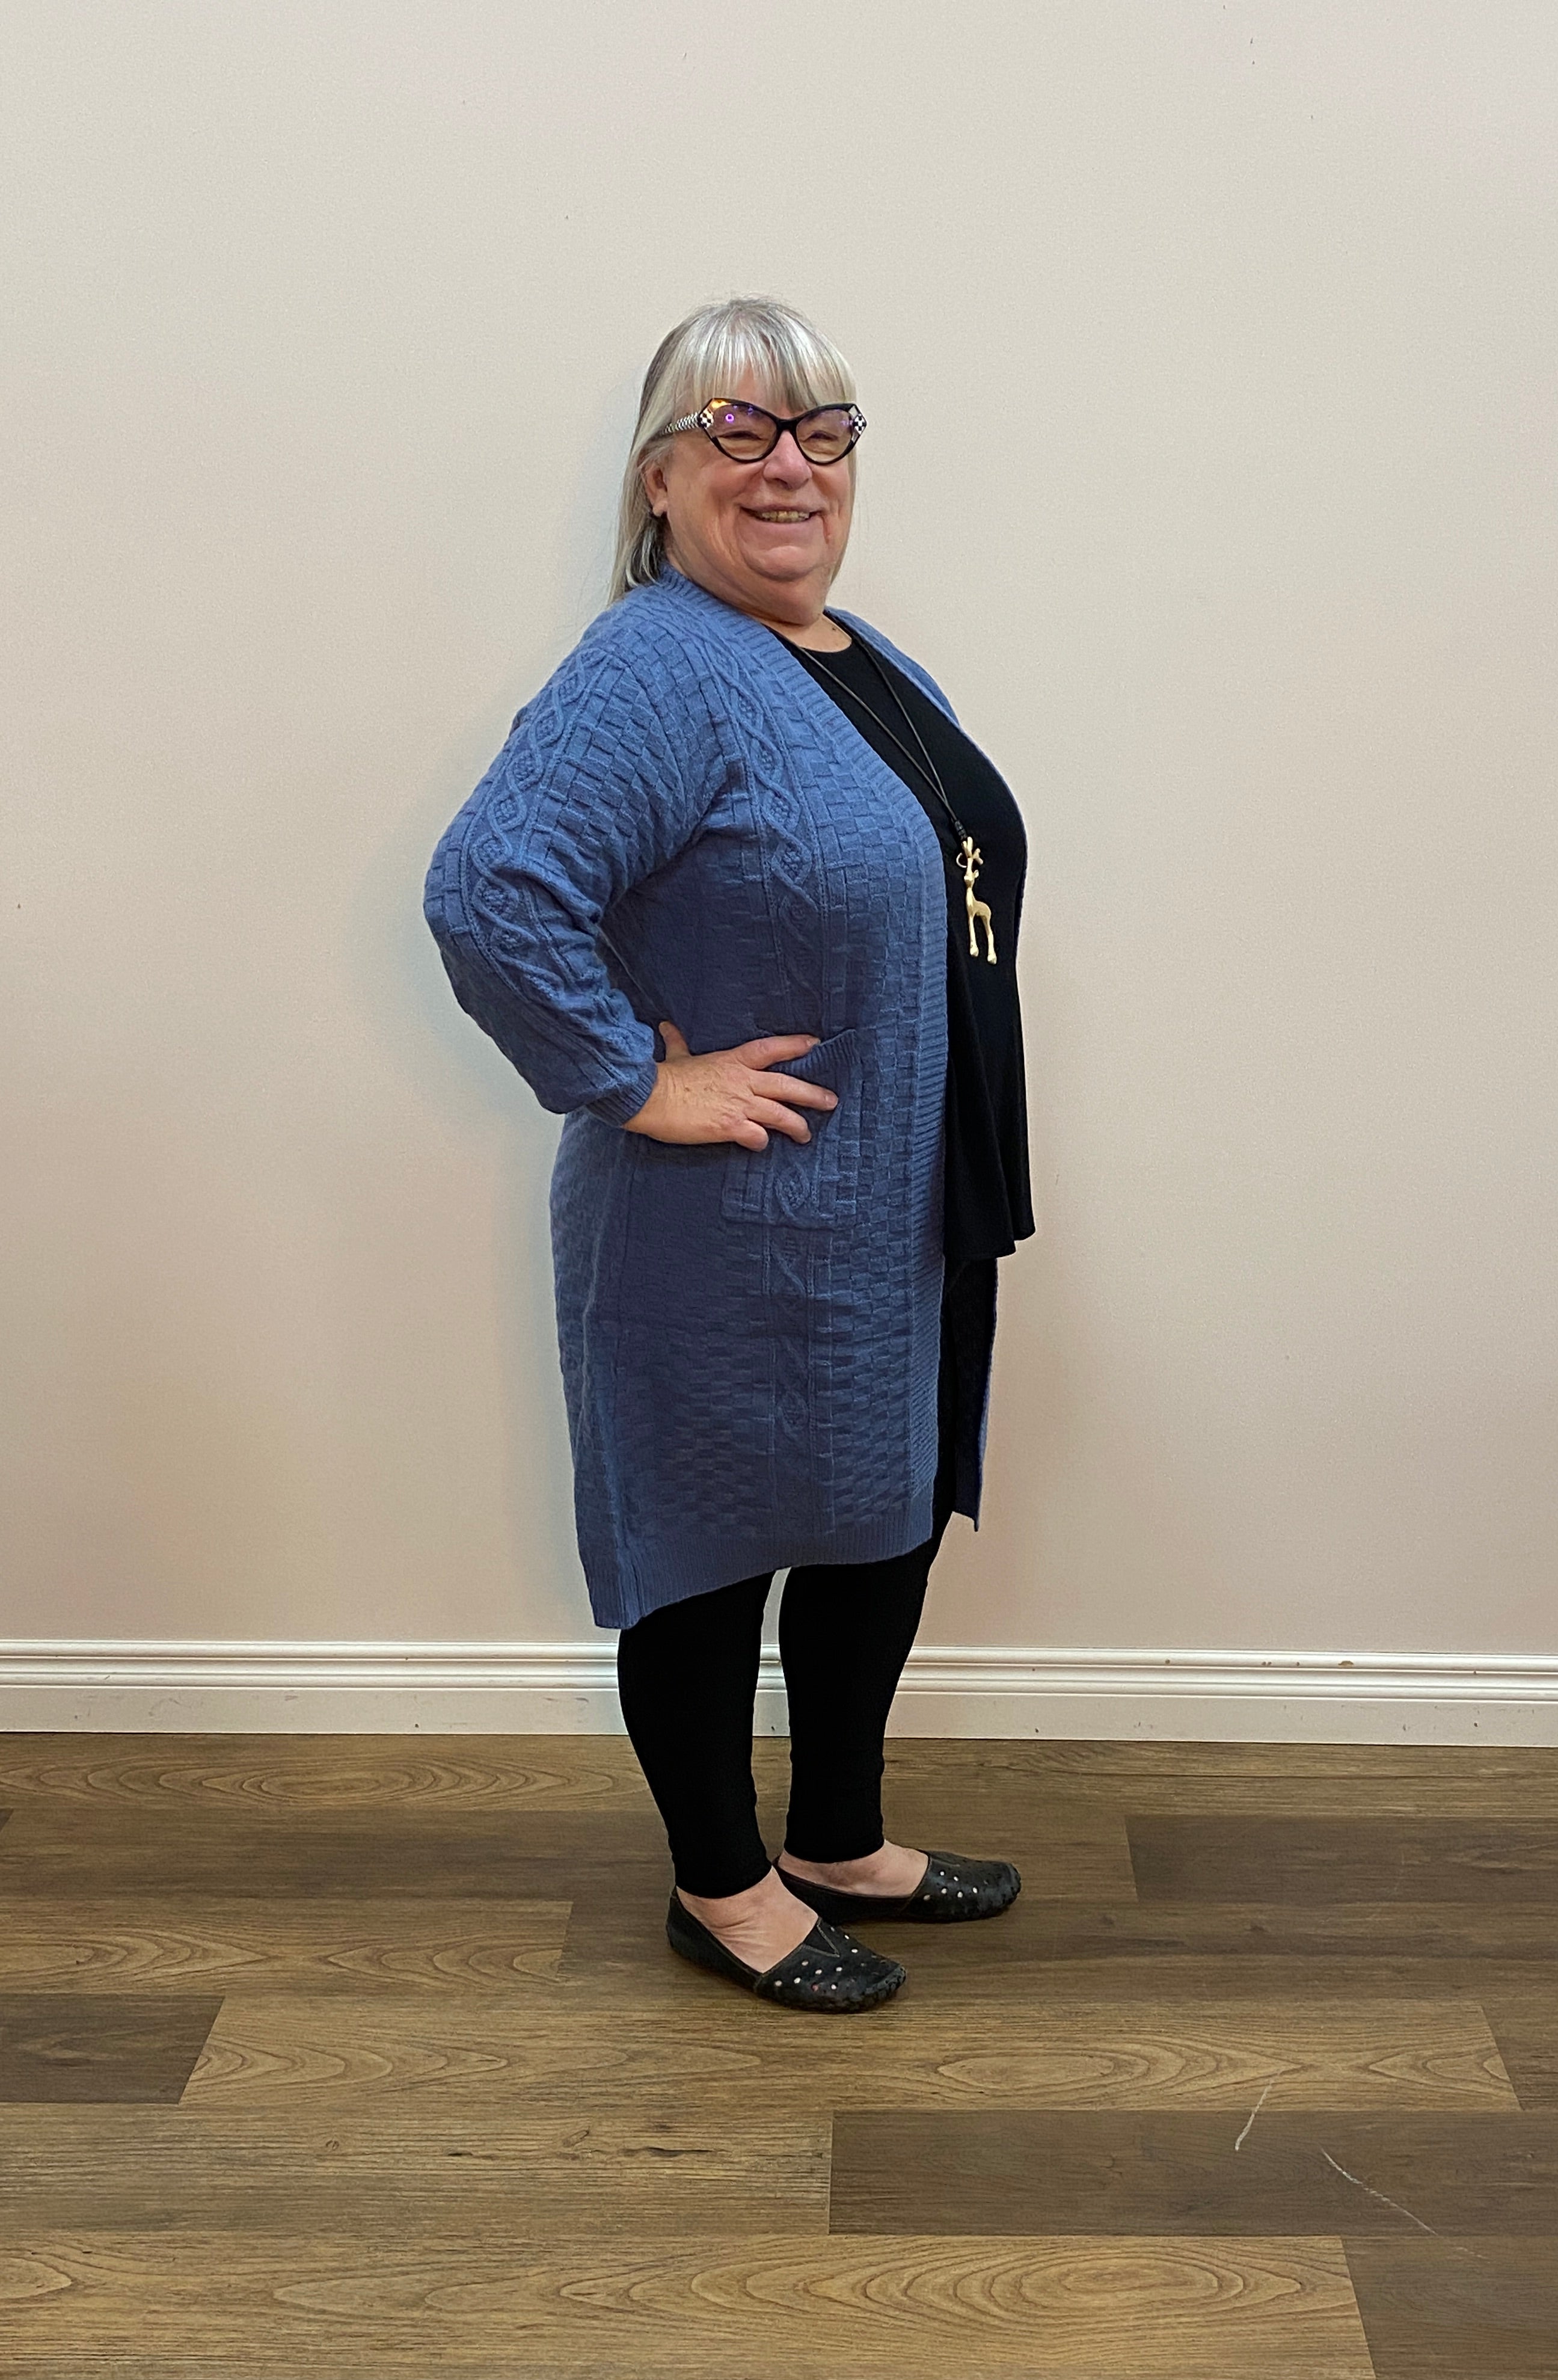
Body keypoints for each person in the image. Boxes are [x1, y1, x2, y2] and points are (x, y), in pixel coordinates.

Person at [425, 296, 1034, 2012]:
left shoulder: (854, 655)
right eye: (739, 432)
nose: (788, 468)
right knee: (710, 1551)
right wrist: (634, 1079)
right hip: (726, 1225)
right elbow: (490, 889)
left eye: (820, 430)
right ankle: (721, 1883)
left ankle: (837, 1836)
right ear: (660, 479)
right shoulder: (658, 665)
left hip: (891, 1213)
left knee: (877, 1522)